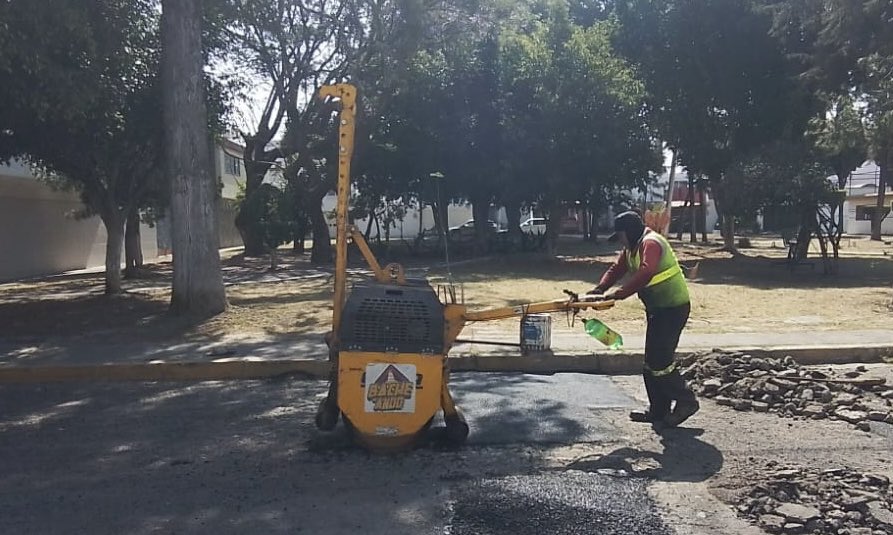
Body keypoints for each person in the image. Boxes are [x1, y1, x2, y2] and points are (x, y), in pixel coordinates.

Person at [589, 210, 699, 428]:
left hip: (673, 308)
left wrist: (619, 294)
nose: (620, 241)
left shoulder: (651, 243)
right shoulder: (631, 248)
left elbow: (646, 272)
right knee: (651, 362)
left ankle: (687, 401)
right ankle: (658, 410)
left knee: (661, 362)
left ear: (629, 232)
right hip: (657, 309)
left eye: (620, 236)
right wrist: (599, 289)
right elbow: (616, 269)